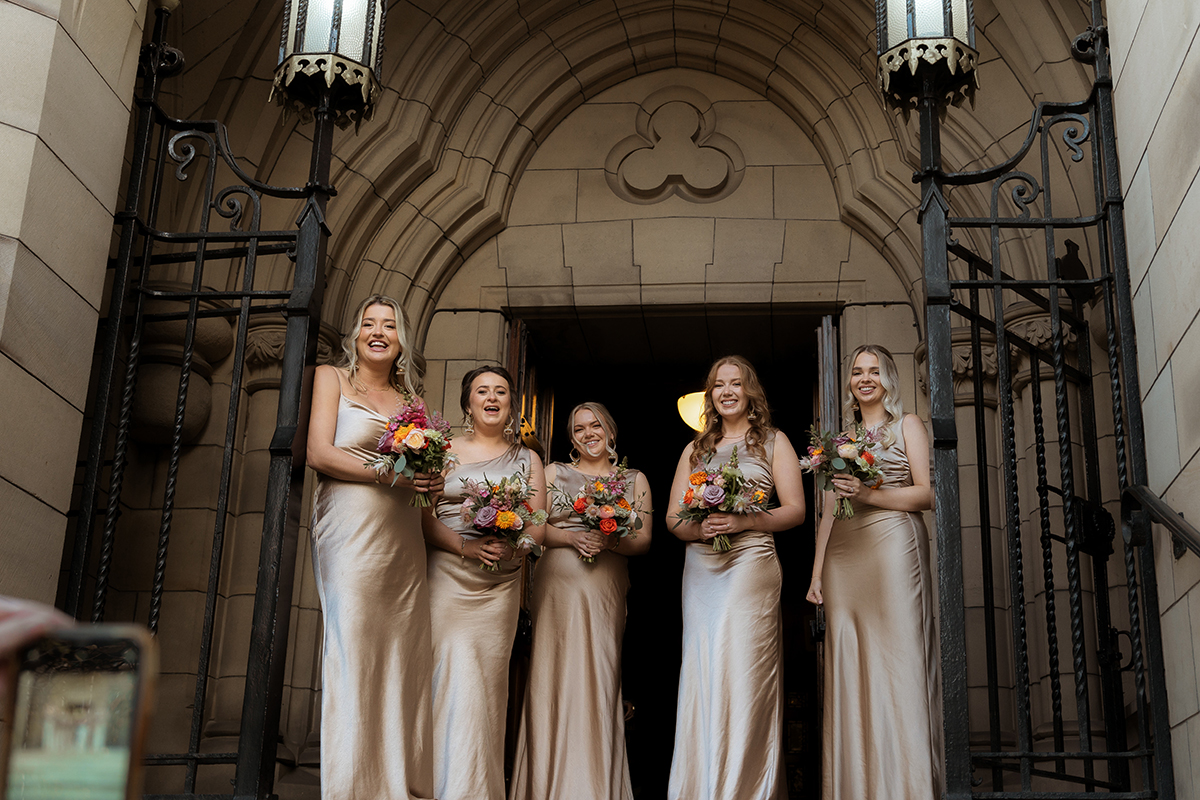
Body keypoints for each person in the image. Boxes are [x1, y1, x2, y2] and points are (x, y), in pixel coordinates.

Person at [306, 294, 442, 800]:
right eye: (368, 323)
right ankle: (351, 787)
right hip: (351, 534)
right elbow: (319, 452)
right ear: (356, 335)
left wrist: (429, 480)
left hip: (403, 542)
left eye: (389, 325)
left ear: (402, 340)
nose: (378, 332)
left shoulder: (415, 405)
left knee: (402, 660)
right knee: (354, 650)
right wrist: (393, 475)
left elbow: (424, 480)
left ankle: (396, 787)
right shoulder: (332, 379)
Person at [806, 344, 942, 800]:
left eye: (875, 371)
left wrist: (869, 497)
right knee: (850, 663)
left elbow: (926, 495)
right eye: (857, 372)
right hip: (844, 556)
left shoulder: (908, 426)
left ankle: (907, 784)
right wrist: (817, 573)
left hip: (893, 548)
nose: (865, 379)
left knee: (899, 659)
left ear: (888, 379)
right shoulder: (840, 441)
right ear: (849, 383)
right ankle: (856, 786)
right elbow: (829, 508)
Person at [667, 355, 806, 800]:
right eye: (718, 385)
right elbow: (673, 519)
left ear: (750, 392)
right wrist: (701, 527)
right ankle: (702, 786)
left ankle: (745, 788)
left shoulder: (773, 441)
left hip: (751, 564)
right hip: (702, 569)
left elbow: (795, 511)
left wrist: (745, 522)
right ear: (710, 395)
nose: (727, 391)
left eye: (735, 383)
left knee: (745, 672)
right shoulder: (695, 450)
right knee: (705, 671)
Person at [509, 402, 652, 800]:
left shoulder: (633, 479)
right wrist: (570, 536)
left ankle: (592, 785)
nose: (588, 433)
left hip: (605, 589)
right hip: (557, 587)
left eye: (595, 425)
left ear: (610, 430)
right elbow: (532, 528)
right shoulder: (553, 472)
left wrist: (609, 538)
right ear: (571, 438)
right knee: (551, 674)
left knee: (599, 674)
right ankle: (545, 784)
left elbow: (643, 542)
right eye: (579, 429)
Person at [421, 366, 546, 800]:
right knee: (448, 674)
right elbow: (421, 518)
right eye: (482, 391)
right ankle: (436, 785)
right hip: (449, 576)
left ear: (511, 404)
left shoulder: (528, 459)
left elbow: (538, 527)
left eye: (501, 392)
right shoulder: (444, 450)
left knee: (485, 687)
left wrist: (516, 548)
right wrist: (465, 548)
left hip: (500, 586)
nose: (492, 398)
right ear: (467, 402)